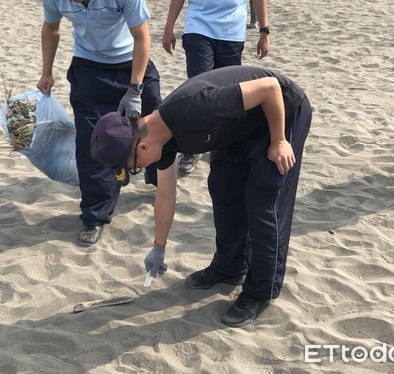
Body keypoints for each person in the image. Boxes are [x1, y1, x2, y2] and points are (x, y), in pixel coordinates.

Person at [91, 66, 312, 326]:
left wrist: (277, 142)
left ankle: (260, 291)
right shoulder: (159, 138)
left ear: (142, 146)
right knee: (222, 187)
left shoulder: (194, 108)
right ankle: (230, 267)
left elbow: (270, 87)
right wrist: (158, 247)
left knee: (263, 203)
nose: (138, 171)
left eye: (134, 168)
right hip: (239, 128)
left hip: (279, 112)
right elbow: (164, 195)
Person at [37, 0, 162, 246]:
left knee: (154, 132)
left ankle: (159, 181)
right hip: (88, 67)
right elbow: (52, 29)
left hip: (131, 63)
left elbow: (141, 37)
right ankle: (95, 215)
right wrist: (47, 71)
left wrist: (135, 88)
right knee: (91, 146)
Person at [163, 0, 272, 174]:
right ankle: (192, 147)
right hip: (198, 26)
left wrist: (264, 30)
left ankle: (223, 146)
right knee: (199, 89)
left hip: (233, 32)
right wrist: (169, 26)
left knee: (228, 94)